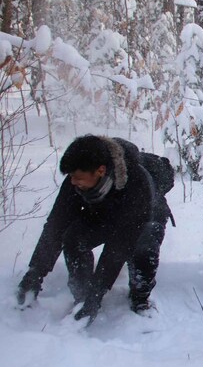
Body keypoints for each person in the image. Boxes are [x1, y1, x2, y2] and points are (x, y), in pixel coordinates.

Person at [15, 135, 173, 322]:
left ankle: (140, 298)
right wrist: (35, 273)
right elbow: (57, 224)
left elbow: (118, 247)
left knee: (143, 246)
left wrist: (97, 295)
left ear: (100, 170)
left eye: (77, 177)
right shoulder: (76, 179)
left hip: (145, 215)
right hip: (104, 213)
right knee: (73, 237)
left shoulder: (137, 182)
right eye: (71, 177)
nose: (73, 182)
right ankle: (81, 295)